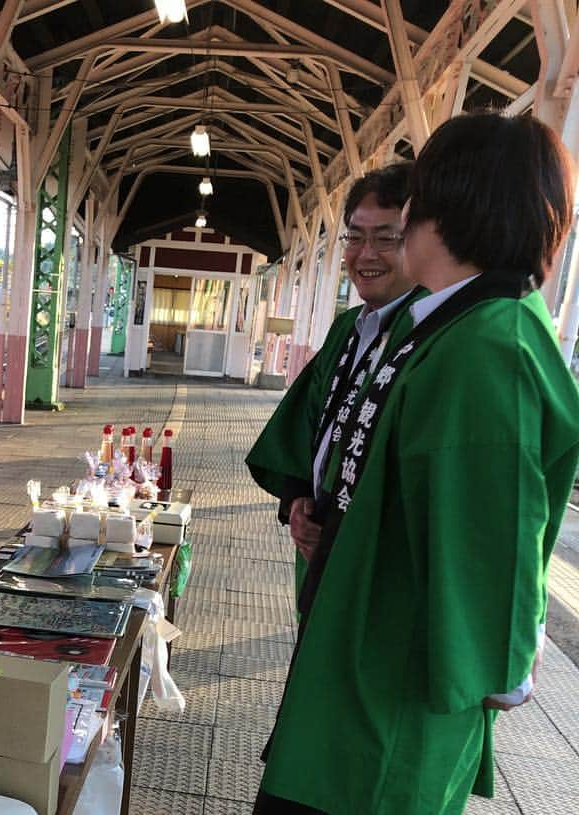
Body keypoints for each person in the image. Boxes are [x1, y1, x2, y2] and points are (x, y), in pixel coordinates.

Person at [254, 112, 579, 814]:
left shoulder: (488, 348)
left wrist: (501, 662)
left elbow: (490, 541)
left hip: (385, 710)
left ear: (445, 205)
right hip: (363, 677)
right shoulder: (463, 329)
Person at [246, 162, 421, 599]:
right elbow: (307, 421)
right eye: (355, 237)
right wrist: (298, 502)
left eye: (386, 239)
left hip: (374, 569)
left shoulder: (427, 339)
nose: (366, 254)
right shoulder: (347, 329)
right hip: (318, 546)